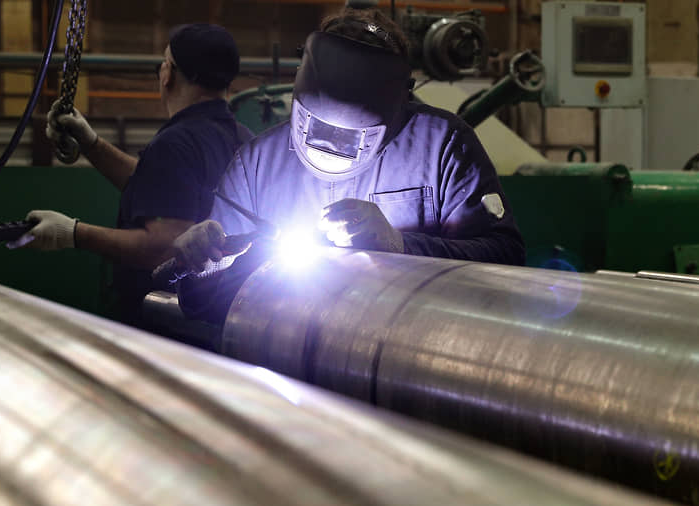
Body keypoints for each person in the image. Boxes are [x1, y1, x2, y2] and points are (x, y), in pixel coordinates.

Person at [171, 8, 525, 324]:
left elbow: (505, 262)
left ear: (399, 101)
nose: (331, 147)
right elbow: (206, 308)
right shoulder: (258, 164)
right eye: (318, 128)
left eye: (351, 136)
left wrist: (400, 246)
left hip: (410, 357)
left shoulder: (442, 145)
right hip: (286, 361)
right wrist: (205, 267)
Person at [11, 23, 253, 326]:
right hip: (224, 317)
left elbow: (164, 247)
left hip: (168, 324)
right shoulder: (242, 139)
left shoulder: (177, 142)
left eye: (163, 62)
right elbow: (161, 189)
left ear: (168, 74)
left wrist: (72, 233)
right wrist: (90, 143)